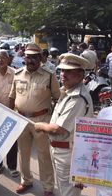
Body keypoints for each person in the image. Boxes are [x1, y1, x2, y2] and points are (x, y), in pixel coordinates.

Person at [34, 53, 93, 196]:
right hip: (62, 151)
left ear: (80, 75)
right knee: (64, 189)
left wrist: (39, 125)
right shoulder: (67, 91)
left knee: (68, 192)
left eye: (69, 71)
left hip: (68, 154)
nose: (63, 74)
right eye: (62, 70)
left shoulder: (77, 98)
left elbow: (58, 129)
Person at [9, 43, 60, 195]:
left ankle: (48, 187)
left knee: (44, 155)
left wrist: (55, 120)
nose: (30, 60)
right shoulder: (17, 75)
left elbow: (58, 98)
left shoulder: (49, 75)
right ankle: (26, 181)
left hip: (42, 120)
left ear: (40, 58)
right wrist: (10, 115)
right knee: (23, 153)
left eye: (34, 57)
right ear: (24, 57)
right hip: (21, 119)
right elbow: (12, 97)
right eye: (28, 57)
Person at [0, 50, 19, 177]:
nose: (0, 60)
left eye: (2, 58)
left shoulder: (15, 73)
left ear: (8, 60)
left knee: (12, 141)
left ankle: (12, 167)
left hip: (11, 111)